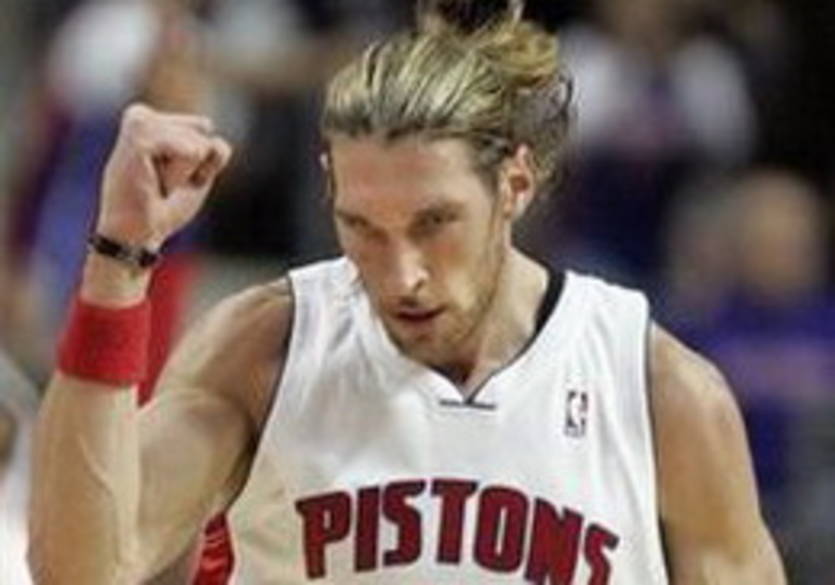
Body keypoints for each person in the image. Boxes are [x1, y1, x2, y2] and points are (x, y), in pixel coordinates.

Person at [30, 1, 785, 583]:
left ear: (515, 184)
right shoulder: (264, 351)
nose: (401, 274)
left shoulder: (657, 390)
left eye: (434, 223)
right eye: (362, 227)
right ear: (330, 188)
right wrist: (117, 264)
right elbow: (80, 571)